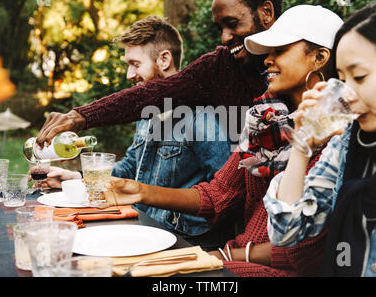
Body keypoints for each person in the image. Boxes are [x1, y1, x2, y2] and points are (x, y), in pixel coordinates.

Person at [100, 5, 344, 277]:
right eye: (268, 52)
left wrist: (218, 256)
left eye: (280, 50)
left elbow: (304, 253)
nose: (267, 60)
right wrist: (140, 191)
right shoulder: (263, 120)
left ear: (319, 57)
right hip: (234, 256)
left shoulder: (337, 133)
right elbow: (218, 195)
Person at [43, 16, 235, 250]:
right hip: (142, 229)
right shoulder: (148, 113)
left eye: (135, 64)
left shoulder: (200, 117)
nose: (128, 75)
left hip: (188, 242)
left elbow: (226, 193)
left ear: (164, 59)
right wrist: (78, 179)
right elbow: (131, 168)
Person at [264, 0, 376, 277]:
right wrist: (302, 145)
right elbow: (286, 232)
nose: (347, 95)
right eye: (343, 80)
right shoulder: (348, 143)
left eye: (360, 77)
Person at [34, 0, 283, 148]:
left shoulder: (306, 61)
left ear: (266, 12)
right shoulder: (219, 66)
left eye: (232, 24)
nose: (225, 37)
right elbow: (151, 94)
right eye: (220, 27)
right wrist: (80, 116)